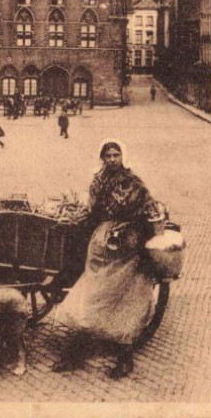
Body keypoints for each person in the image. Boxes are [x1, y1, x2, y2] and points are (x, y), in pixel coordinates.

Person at [51, 140, 164, 379]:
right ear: (102, 158)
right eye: (108, 155)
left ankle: (125, 358)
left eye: (116, 154)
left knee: (123, 302)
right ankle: (76, 353)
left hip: (127, 247)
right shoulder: (98, 182)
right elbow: (92, 213)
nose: (112, 159)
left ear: (123, 156)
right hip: (101, 245)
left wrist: (146, 240)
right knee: (92, 295)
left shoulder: (133, 183)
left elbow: (150, 210)